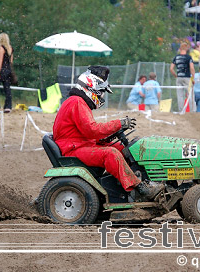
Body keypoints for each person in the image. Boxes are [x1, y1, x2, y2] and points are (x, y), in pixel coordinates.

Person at [53, 66, 164, 200]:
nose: (101, 95)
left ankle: (140, 182)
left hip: (80, 144)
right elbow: (91, 130)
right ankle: (140, 188)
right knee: (111, 153)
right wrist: (118, 124)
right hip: (73, 150)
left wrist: (110, 134)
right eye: (100, 92)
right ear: (91, 88)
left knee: (123, 149)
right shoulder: (76, 102)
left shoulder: (78, 102)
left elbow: (86, 133)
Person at [170, 43, 195, 111]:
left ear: (180, 49)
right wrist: (193, 77)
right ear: (186, 49)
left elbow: (171, 69)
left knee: (180, 95)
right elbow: (192, 68)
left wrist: (176, 76)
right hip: (187, 78)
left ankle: (181, 111)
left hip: (179, 78)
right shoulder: (188, 57)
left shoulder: (176, 57)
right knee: (190, 95)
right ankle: (192, 111)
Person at [0, 33, 14, 113]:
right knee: (7, 89)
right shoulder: (10, 48)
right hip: (8, 71)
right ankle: (8, 106)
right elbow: (11, 62)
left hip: (2, 71)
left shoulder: (2, 48)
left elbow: (0, 61)